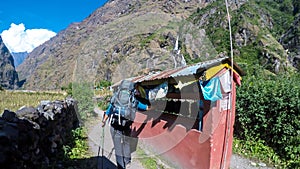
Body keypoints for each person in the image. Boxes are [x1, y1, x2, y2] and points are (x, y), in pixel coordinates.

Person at [101, 83, 150, 169]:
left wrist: (103, 121)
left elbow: (109, 111)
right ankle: (127, 162)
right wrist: (154, 106)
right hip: (126, 126)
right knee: (127, 143)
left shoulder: (115, 98)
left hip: (114, 126)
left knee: (118, 147)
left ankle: (121, 167)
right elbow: (145, 108)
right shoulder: (133, 100)